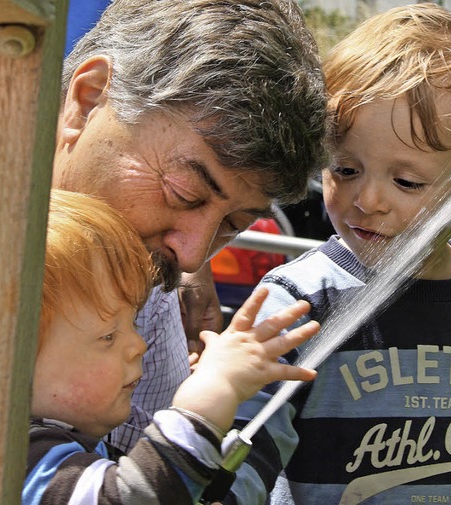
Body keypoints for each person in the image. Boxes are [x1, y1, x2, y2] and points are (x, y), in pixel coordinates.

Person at [224, 4, 451, 504]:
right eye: (345, 169)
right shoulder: (297, 300)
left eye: (407, 181)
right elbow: (243, 458)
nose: (366, 200)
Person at [53, 0, 329, 454]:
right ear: (88, 100)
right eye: (184, 194)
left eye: (234, 224)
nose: (193, 256)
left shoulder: (155, 302)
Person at [25, 189, 320, 504]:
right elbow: (133, 497)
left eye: (133, 324)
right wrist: (205, 399)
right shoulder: (25, 461)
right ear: (17, 363)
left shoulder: (69, 445)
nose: (137, 345)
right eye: (108, 336)